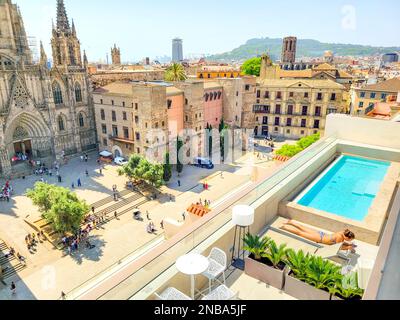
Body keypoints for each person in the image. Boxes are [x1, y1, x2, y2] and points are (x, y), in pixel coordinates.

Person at [280, 220, 356, 251]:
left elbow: (341, 243)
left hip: (321, 234)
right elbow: (338, 247)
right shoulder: (340, 238)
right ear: (347, 237)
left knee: (303, 228)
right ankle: (284, 227)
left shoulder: (342, 233)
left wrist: (348, 244)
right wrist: (348, 247)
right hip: (319, 238)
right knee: (300, 233)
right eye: (350, 239)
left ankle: (290, 222)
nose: (350, 241)